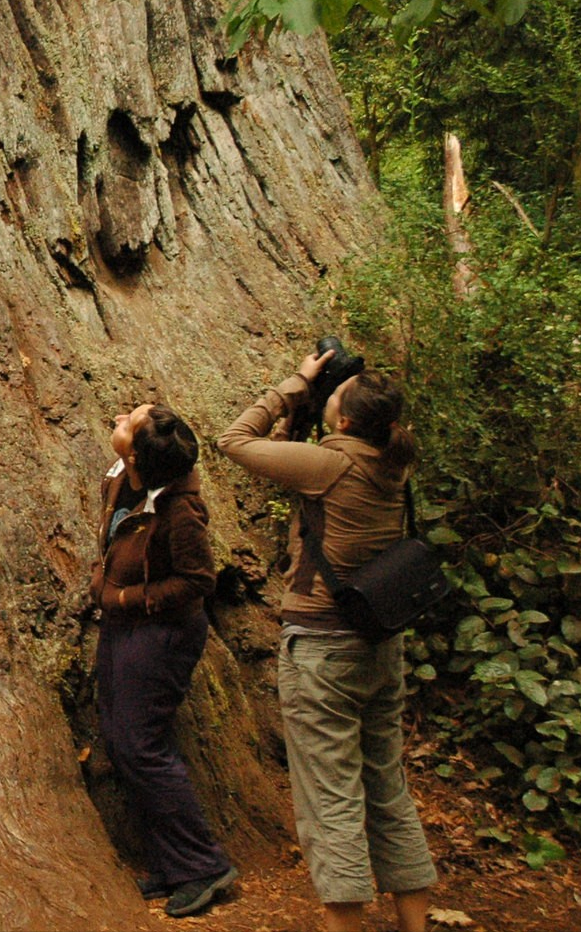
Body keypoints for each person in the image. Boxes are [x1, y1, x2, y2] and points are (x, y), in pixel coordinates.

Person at [218, 351, 437, 932]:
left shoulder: (327, 466)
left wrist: (298, 385)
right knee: (387, 787)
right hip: (380, 645)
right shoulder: (393, 463)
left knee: (330, 798)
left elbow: (234, 440)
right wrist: (319, 407)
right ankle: (416, 924)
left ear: (342, 424)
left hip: (322, 651)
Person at [91, 403, 239, 918]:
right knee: (122, 739)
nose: (117, 420)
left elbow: (199, 581)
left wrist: (130, 599)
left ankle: (203, 865)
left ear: (133, 454)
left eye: (124, 425)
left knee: (141, 744)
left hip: (161, 635)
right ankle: (173, 862)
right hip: (122, 626)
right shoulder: (126, 477)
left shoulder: (180, 510)